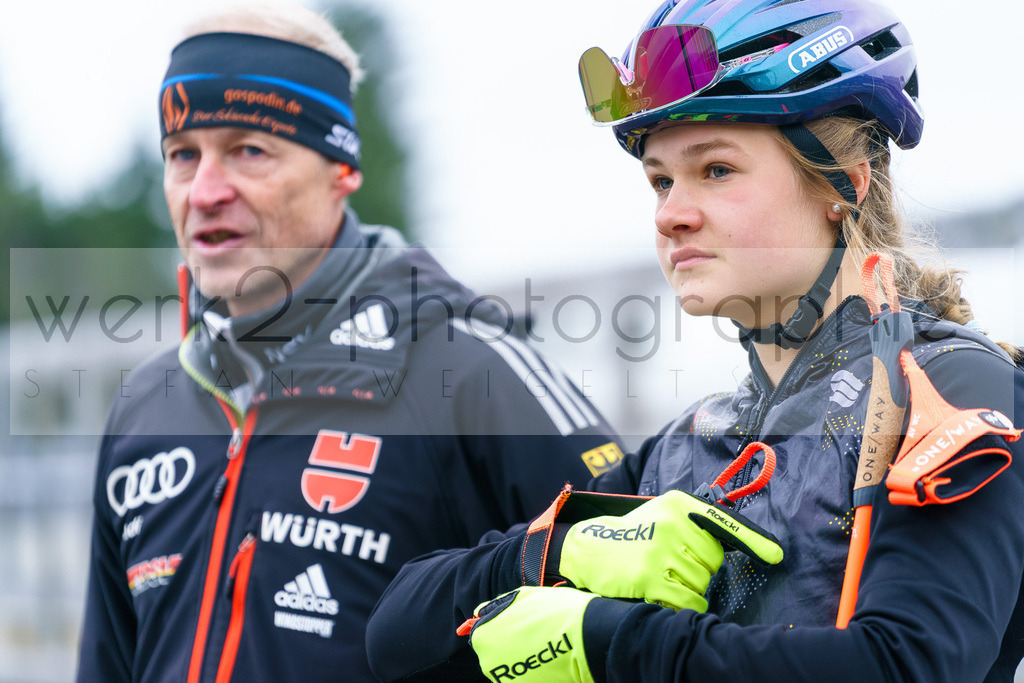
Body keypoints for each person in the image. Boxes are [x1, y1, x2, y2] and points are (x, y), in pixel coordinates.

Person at [365, 0, 1024, 680]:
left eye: (716, 170)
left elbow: (909, 663)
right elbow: (394, 636)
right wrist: (555, 552)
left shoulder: (955, 386)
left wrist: (611, 639)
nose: (672, 214)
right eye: (660, 180)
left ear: (844, 184)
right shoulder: (692, 443)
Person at [74, 4, 624, 681]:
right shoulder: (143, 407)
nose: (206, 191)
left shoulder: (469, 369)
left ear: (342, 169)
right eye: (183, 154)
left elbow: (636, 606)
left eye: (249, 149)